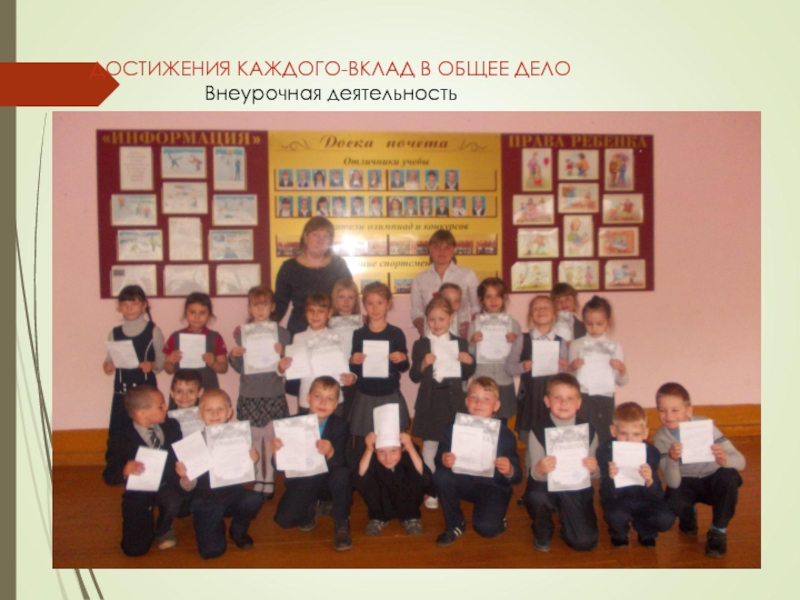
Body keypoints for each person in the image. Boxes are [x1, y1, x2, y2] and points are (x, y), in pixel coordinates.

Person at [653, 382, 745, 558]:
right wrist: (672, 460)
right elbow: (672, 482)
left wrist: (724, 459)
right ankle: (688, 514)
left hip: (712, 479)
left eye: (675, 410)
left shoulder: (706, 426)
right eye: (662, 410)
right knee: (673, 500)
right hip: (685, 482)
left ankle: (718, 531)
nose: (668, 416)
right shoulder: (661, 438)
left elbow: (741, 462)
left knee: (730, 476)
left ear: (689, 410)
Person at [433, 377, 521, 546]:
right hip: (464, 482)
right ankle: (455, 524)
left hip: (493, 486)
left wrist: (510, 470)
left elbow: (517, 476)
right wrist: (444, 459)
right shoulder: (453, 429)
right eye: (474, 397)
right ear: (467, 401)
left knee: (487, 529)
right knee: (440, 477)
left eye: (486, 398)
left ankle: (497, 515)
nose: (479, 402)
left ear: (496, 405)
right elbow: (438, 459)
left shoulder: (505, 435)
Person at [175, 389, 263, 559]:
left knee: (253, 499)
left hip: (232, 494)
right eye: (209, 410)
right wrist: (185, 477)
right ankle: (211, 524)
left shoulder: (239, 437)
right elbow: (188, 487)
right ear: (200, 414)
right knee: (212, 552)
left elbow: (248, 475)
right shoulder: (193, 443)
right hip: (205, 499)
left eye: (220, 409)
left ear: (229, 412)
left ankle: (238, 530)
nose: (215, 414)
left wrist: (253, 462)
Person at [102, 386, 188, 555]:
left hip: (167, 484)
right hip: (139, 491)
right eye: (160, 406)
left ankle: (164, 526)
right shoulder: (121, 438)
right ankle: (144, 520)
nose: (166, 408)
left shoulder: (171, 426)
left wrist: (182, 468)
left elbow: (181, 454)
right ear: (141, 413)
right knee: (134, 549)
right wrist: (124, 470)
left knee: (174, 500)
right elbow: (109, 475)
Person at [272, 376, 354, 551]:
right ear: (308, 397)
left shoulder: (341, 426)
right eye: (318, 396)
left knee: (342, 475)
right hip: (304, 481)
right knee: (284, 521)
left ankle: (341, 521)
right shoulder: (291, 424)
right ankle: (311, 505)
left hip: (328, 481)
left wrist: (331, 453)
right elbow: (279, 467)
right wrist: (276, 452)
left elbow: (344, 463)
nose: (323, 402)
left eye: (329, 399)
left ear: (336, 404)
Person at [410, 296, 476, 511]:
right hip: (430, 402)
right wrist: (423, 363)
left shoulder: (460, 343)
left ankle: (452, 486)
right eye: (432, 319)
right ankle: (431, 489)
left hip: (453, 401)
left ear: (450, 318)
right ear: (426, 320)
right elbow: (414, 376)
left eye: (441, 319)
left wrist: (469, 362)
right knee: (430, 446)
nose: (436, 324)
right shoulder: (421, 344)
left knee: (454, 445)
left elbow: (467, 373)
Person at [228, 286, 292, 500]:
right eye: (255, 305)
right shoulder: (242, 334)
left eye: (265, 304)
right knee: (254, 438)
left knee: (271, 437)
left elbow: (289, 368)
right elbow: (240, 367)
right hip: (250, 393)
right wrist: (233, 356)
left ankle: (270, 478)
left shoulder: (283, 334)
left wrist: (283, 354)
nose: (260, 309)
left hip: (273, 391)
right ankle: (258, 477)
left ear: (272, 307)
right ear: (249, 308)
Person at [523, 373, 600, 552]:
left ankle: (569, 523)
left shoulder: (588, 431)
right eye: (557, 397)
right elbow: (533, 475)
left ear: (579, 403)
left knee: (585, 542)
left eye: (570, 398)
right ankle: (543, 528)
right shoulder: (537, 430)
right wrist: (540, 469)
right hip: (546, 487)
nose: (564, 403)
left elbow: (596, 474)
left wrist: (593, 469)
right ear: (547, 401)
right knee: (536, 496)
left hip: (576, 489)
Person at [507, 295, 569, 479]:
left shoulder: (561, 341)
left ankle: (556, 481)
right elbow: (509, 367)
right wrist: (522, 367)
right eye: (536, 308)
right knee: (531, 444)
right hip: (530, 399)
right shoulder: (522, 339)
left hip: (553, 401)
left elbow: (566, 377)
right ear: (530, 315)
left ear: (554, 315)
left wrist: (564, 367)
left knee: (555, 441)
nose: (541, 311)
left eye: (546, 307)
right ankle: (532, 480)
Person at [597, 402, 675, 548]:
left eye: (636, 434)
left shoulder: (652, 453)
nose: (629, 440)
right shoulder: (605, 451)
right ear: (613, 431)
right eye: (623, 433)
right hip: (618, 500)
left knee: (666, 519)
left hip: (644, 499)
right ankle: (619, 533)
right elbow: (605, 495)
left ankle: (646, 530)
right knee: (615, 515)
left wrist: (650, 480)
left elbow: (658, 495)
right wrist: (611, 478)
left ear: (645, 433)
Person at [349, 283, 411, 441]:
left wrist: (402, 358)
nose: (375, 308)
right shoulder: (359, 334)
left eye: (379, 303)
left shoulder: (396, 333)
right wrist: (353, 361)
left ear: (388, 304)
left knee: (390, 441)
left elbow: (404, 367)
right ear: (364, 305)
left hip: (389, 394)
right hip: (365, 395)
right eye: (370, 303)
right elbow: (354, 369)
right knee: (365, 442)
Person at [274, 217, 352, 337]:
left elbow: (350, 298)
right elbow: (279, 305)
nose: (320, 241)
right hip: (300, 332)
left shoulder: (338, 265)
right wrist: (259, 329)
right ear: (305, 237)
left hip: (334, 331)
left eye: (326, 236)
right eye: (315, 234)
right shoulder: (289, 268)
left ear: (330, 242)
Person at [102, 285, 165, 435]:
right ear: (119, 306)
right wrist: (107, 366)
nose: (129, 308)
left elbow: (161, 362)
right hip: (122, 391)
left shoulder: (153, 331)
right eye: (125, 304)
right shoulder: (114, 333)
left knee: (147, 431)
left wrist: (151, 365)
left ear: (144, 305)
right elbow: (109, 359)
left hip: (146, 392)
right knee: (120, 433)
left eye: (134, 303)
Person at [568, 295, 628, 446]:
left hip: (605, 397)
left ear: (608, 322)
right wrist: (572, 367)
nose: (594, 328)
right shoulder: (576, 345)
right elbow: (570, 380)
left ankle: (602, 461)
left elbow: (621, 381)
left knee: (604, 436)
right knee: (583, 434)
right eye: (589, 323)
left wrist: (622, 370)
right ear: (583, 322)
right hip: (583, 396)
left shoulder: (615, 347)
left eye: (599, 323)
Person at [287, 292, 356, 414]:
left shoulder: (336, 337)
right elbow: (292, 370)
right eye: (311, 310)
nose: (315, 315)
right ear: (305, 312)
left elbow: (345, 366)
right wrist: (282, 368)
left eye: (321, 311)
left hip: (333, 400)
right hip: (307, 400)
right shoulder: (298, 338)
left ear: (329, 313)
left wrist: (353, 377)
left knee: (334, 427)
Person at [355, 431, 430, 536]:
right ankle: (378, 517)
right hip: (382, 502)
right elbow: (361, 476)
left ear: (402, 449)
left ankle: (411, 517)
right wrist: (368, 449)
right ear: (375, 451)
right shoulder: (373, 458)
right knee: (367, 478)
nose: (388, 458)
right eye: (382, 452)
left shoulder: (407, 456)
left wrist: (410, 447)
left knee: (416, 475)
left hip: (406, 501)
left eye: (393, 451)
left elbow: (422, 474)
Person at [468, 278, 520, 422]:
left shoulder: (514, 325)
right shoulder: (475, 325)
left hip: (504, 381)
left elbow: (518, 356)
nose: (493, 300)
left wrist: (516, 342)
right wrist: (472, 342)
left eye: (497, 296)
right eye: (488, 296)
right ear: (482, 299)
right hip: (482, 381)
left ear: (504, 298)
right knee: (480, 421)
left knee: (502, 423)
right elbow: (469, 356)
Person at [410, 229, 480, 337]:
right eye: (437, 247)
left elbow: (477, 308)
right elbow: (416, 311)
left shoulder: (468, 275)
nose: (441, 251)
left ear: (454, 249)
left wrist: (472, 326)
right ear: (430, 248)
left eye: (447, 247)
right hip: (431, 336)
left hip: (461, 336)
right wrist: (421, 326)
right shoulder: (420, 279)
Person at [163, 292, 228, 392]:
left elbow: (224, 368)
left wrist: (213, 363)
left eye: (202, 313)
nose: (197, 317)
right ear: (186, 313)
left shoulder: (215, 337)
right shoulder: (175, 337)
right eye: (192, 312)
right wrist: (171, 362)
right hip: (182, 391)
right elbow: (168, 370)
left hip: (207, 388)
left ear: (209, 315)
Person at [328, 278, 362, 419]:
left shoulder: (362, 322)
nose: (346, 301)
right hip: (334, 372)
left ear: (356, 299)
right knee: (335, 413)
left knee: (351, 414)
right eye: (341, 297)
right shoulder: (328, 321)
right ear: (334, 298)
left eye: (350, 297)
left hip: (354, 372)